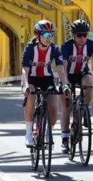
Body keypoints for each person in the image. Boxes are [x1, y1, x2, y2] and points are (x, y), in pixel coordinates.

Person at [59, 19, 93, 154]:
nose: (82, 38)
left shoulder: (92, 45)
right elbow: (64, 66)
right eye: (79, 35)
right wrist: (65, 84)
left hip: (82, 73)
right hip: (68, 75)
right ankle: (65, 138)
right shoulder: (66, 46)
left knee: (89, 83)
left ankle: (86, 108)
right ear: (73, 35)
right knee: (66, 106)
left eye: (85, 34)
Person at [22, 20, 67, 148]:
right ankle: (29, 134)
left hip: (47, 79)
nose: (49, 38)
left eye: (51, 34)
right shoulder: (30, 48)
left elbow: (60, 68)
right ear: (38, 36)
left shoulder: (54, 49)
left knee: (53, 111)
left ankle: (47, 133)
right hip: (32, 79)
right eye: (46, 35)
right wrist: (26, 85)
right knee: (30, 98)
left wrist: (64, 84)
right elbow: (24, 70)